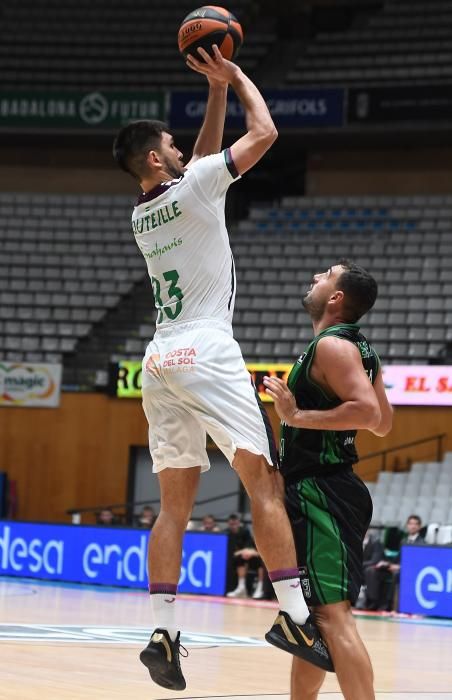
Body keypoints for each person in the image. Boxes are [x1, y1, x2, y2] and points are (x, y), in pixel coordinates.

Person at [113, 46, 332, 691]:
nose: (181, 148)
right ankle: (294, 615)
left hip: (158, 360)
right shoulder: (200, 186)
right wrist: (234, 78)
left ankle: (163, 631)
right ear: (156, 157)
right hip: (207, 347)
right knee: (261, 481)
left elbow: (200, 162)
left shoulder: (143, 210)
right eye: (170, 144)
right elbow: (265, 133)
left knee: (171, 507)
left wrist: (210, 97)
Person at [264, 261, 393, 700]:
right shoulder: (355, 348)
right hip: (321, 490)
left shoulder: (334, 348)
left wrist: (296, 416)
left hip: (325, 491)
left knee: (333, 617)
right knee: (314, 619)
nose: (317, 277)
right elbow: (385, 424)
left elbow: (370, 415)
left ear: (336, 298)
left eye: (327, 275)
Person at [364, 514, 424, 612]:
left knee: (396, 574)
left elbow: (417, 563)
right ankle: (373, 602)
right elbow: (397, 559)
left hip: (407, 571)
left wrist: (400, 567)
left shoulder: (422, 543)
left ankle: (388, 605)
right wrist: (386, 563)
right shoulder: (404, 541)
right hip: (396, 567)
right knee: (372, 570)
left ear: (419, 526)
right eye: (410, 523)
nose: (412, 526)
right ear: (407, 525)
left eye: (415, 524)